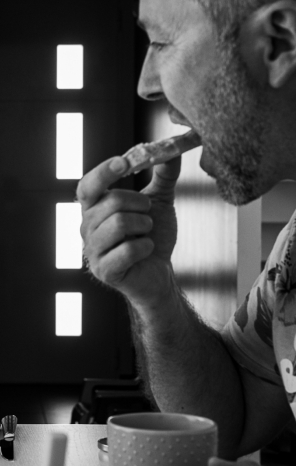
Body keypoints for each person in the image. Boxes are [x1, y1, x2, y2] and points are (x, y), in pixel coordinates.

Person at [77, 0, 296, 463]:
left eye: (161, 41)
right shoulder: (292, 253)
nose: (145, 85)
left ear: (280, 43)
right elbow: (228, 426)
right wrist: (156, 297)